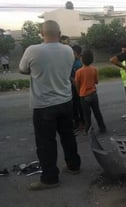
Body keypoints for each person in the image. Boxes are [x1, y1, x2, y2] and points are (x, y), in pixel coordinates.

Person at [19, 20, 81, 191]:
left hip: (44, 105)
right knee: (68, 135)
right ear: (59, 33)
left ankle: (50, 179)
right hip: (66, 101)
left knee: (46, 142)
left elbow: (23, 69)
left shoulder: (33, 50)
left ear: (41, 32)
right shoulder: (68, 50)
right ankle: (74, 166)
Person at [75, 49, 107, 135]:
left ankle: (88, 130)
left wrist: (79, 93)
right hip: (93, 94)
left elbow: (77, 84)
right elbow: (96, 81)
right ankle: (102, 127)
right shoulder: (94, 69)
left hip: (84, 95)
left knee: (86, 115)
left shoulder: (78, 72)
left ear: (82, 59)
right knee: (97, 112)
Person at [71, 45, 84, 134]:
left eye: (73, 53)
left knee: (79, 107)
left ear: (77, 54)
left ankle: (81, 123)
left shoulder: (78, 64)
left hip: (77, 88)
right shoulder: (73, 62)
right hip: (73, 88)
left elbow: (77, 79)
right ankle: (77, 123)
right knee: (74, 107)